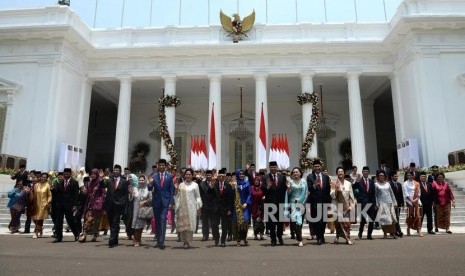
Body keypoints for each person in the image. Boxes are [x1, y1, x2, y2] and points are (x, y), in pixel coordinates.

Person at [148, 159, 174, 250]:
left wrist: (171, 202)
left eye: (163, 165)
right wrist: (150, 183)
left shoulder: (170, 176)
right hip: (156, 202)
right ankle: (158, 241)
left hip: (165, 202)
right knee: (157, 221)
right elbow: (149, 188)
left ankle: (162, 242)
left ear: (165, 166)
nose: (162, 166)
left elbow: (171, 190)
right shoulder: (154, 176)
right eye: (160, 165)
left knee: (163, 220)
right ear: (158, 166)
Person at [103, 164, 130, 248]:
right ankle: (115, 238)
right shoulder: (109, 180)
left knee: (115, 221)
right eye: (114, 170)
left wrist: (123, 202)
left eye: (117, 170)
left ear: (120, 172)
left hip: (119, 205)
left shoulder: (124, 181)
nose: (115, 171)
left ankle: (111, 239)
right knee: (111, 222)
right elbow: (102, 185)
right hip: (109, 204)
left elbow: (126, 194)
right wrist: (101, 178)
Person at [175, 168, 202, 249]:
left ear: (192, 175)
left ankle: (187, 242)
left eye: (189, 174)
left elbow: (198, 197)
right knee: (183, 225)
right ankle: (184, 241)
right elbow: (177, 196)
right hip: (182, 208)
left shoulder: (195, 185)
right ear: (184, 175)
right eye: (186, 174)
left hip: (191, 208)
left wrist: (199, 208)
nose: (188, 176)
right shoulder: (181, 185)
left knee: (189, 226)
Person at [306, 159, 332, 245]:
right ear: (313, 167)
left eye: (318, 166)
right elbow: (309, 189)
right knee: (316, 221)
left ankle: (322, 235)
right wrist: (314, 185)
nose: (317, 168)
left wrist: (329, 203)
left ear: (321, 167)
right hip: (314, 203)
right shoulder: (310, 177)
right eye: (315, 166)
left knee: (323, 221)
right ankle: (319, 237)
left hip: (324, 202)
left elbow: (328, 190)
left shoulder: (326, 177)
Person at [52, 168, 80, 243]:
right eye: (64, 174)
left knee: (70, 221)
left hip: (70, 205)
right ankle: (59, 237)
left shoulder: (74, 182)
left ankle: (76, 234)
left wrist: (75, 205)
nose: (66, 175)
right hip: (60, 205)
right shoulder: (60, 182)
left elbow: (76, 195)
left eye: (67, 174)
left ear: (70, 174)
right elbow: (56, 192)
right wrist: (52, 189)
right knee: (58, 222)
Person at [330, 167, 356, 245]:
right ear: (337, 173)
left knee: (347, 224)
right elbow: (333, 195)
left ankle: (347, 238)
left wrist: (351, 205)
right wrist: (337, 190)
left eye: (341, 171)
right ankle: (338, 236)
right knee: (338, 223)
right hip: (337, 206)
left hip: (346, 206)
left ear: (344, 173)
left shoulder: (348, 183)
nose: (340, 173)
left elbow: (351, 195)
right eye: (339, 171)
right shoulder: (333, 183)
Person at [79, 169, 105, 243]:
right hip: (90, 204)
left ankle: (95, 235)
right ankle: (84, 234)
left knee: (97, 221)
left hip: (98, 204)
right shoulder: (88, 183)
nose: (92, 175)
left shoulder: (100, 182)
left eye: (94, 174)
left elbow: (103, 192)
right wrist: (84, 192)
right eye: (91, 174)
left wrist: (101, 202)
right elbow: (86, 193)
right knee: (87, 219)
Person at [265, 161, 287, 246]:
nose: (273, 168)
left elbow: (285, 188)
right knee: (271, 224)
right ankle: (273, 240)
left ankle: (280, 237)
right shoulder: (266, 177)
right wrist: (267, 187)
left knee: (280, 223)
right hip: (270, 204)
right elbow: (263, 189)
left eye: (275, 167)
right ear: (269, 168)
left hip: (280, 203)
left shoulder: (282, 177)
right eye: (271, 167)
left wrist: (288, 188)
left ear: (277, 168)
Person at [285, 167, 308, 247]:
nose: (295, 173)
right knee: (295, 222)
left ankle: (299, 238)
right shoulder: (290, 182)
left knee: (300, 223)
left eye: (297, 172)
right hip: (293, 205)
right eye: (294, 172)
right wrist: (288, 189)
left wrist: (302, 202)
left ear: (300, 173)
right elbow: (288, 194)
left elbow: (305, 194)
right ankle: (300, 239)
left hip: (301, 204)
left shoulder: (304, 182)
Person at [199, 170, 220, 244]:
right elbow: (203, 193)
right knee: (205, 222)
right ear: (205, 176)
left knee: (214, 222)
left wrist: (213, 186)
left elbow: (217, 194)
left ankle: (215, 235)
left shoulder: (216, 183)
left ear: (212, 175)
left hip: (214, 206)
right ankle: (205, 235)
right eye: (207, 175)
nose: (208, 176)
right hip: (205, 205)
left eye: (209, 175)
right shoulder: (202, 184)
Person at [374, 170, 398, 239]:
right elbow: (375, 195)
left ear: (385, 176)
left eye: (383, 175)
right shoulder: (376, 184)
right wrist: (376, 204)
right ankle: (385, 234)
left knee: (392, 219)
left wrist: (395, 202)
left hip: (390, 203)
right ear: (378, 176)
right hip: (382, 204)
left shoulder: (388, 184)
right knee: (384, 220)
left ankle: (393, 233)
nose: (381, 177)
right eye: (380, 175)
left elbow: (392, 194)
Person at [231, 169, 251, 247]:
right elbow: (231, 195)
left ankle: (245, 238)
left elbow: (249, 194)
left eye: (242, 174)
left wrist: (246, 203)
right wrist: (232, 188)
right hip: (236, 206)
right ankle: (238, 239)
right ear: (237, 175)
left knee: (245, 222)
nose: (241, 175)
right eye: (240, 174)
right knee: (236, 223)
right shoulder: (234, 184)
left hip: (244, 206)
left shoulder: (247, 183)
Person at [355, 166, 376, 240]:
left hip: (371, 203)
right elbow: (354, 187)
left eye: (367, 171)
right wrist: (356, 181)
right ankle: (360, 234)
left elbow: (373, 193)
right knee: (363, 220)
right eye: (364, 171)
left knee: (371, 219)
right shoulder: (359, 181)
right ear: (362, 172)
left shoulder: (371, 181)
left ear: (369, 172)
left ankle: (369, 234)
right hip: (362, 203)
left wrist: (375, 204)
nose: (365, 172)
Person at [215, 169, 234, 247]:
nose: (221, 177)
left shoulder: (228, 185)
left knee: (224, 226)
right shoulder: (215, 185)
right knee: (214, 224)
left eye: (223, 176)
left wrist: (230, 209)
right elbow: (211, 197)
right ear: (218, 176)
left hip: (225, 209)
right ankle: (216, 238)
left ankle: (223, 241)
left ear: (225, 177)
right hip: (216, 209)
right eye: (220, 176)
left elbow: (230, 198)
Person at [132, 175, 152, 247]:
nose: (141, 181)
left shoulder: (148, 189)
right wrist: (131, 194)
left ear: (145, 181)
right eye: (140, 180)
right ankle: (136, 239)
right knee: (135, 225)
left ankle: (138, 239)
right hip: (135, 209)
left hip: (143, 209)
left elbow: (151, 198)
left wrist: (144, 202)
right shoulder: (135, 188)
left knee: (140, 226)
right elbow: (131, 199)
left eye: (142, 180)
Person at [31, 172, 52, 239]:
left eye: (45, 177)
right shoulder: (36, 185)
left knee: (39, 219)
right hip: (35, 204)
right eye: (42, 177)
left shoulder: (47, 185)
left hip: (43, 204)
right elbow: (32, 194)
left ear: (46, 178)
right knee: (34, 218)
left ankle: (36, 232)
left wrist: (48, 202)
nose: (43, 178)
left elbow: (49, 195)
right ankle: (40, 228)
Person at [403, 171, 423, 237]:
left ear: (413, 176)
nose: (409, 176)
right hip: (409, 202)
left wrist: (415, 200)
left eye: (410, 175)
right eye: (408, 175)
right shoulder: (405, 183)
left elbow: (419, 194)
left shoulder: (417, 183)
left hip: (416, 201)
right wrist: (411, 200)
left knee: (418, 215)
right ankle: (408, 229)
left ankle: (419, 229)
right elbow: (406, 194)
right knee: (409, 216)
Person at [389, 172, 404, 237]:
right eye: (395, 176)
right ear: (392, 177)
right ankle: (398, 231)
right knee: (394, 218)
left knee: (397, 217)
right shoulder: (389, 184)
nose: (396, 177)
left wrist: (402, 203)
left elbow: (401, 194)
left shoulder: (399, 184)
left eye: (396, 176)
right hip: (391, 204)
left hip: (398, 204)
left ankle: (395, 231)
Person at [123, 174, 137, 241]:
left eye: (131, 178)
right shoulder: (126, 186)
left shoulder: (137, 186)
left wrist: (132, 193)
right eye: (129, 178)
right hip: (127, 205)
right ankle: (129, 235)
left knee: (133, 220)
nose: (130, 179)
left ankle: (134, 234)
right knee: (126, 219)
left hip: (134, 205)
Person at [251, 176, 265, 241]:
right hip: (254, 206)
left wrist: (264, 197)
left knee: (261, 221)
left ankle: (261, 234)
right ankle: (255, 234)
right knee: (255, 221)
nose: (256, 181)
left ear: (259, 181)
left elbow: (265, 194)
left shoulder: (262, 188)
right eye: (255, 180)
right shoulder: (251, 188)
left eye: (257, 180)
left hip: (261, 206)